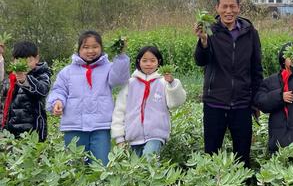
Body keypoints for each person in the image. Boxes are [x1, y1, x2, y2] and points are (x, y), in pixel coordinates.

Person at [194, 0, 263, 167]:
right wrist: (202, 42)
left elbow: (256, 69)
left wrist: (255, 101)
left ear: (239, 8)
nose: (228, 11)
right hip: (215, 103)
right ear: (217, 8)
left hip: (241, 104)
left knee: (242, 157)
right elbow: (201, 61)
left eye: (232, 6)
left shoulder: (250, 32)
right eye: (224, 6)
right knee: (211, 154)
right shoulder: (209, 31)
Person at [47, 30, 130, 165]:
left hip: (101, 126)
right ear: (78, 49)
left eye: (95, 46)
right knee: (76, 166)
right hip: (74, 126)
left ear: (101, 48)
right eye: (86, 47)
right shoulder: (67, 71)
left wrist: (120, 57)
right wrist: (57, 101)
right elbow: (59, 90)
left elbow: (119, 80)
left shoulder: (108, 67)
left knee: (100, 164)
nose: (90, 50)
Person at [111, 46, 186, 157]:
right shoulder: (130, 84)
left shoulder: (163, 82)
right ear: (138, 62)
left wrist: (172, 83)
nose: (148, 64)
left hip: (156, 134)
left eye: (152, 60)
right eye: (144, 60)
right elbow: (119, 111)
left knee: (148, 160)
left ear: (159, 62)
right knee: (137, 168)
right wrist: (119, 137)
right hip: (133, 136)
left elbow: (176, 102)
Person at [1, 41, 52, 141]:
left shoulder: (42, 75)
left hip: (33, 133)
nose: (22, 64)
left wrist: (25, 80)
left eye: (27, 60)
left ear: (37, 59)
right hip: (10, 134)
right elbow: (2, 106)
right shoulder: (9, 80)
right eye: (18, 60)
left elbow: (42, 91)